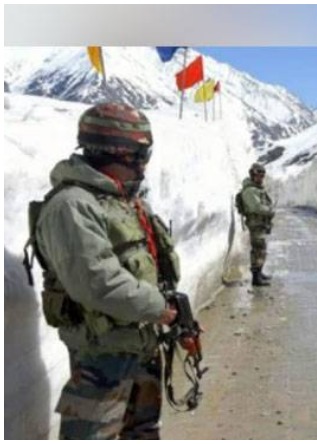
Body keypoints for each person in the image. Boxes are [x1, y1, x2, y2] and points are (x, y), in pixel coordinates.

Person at [28, 102, 180, 439]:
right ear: (115, 153)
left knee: (141, 430)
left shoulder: (122, 200)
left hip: (137, 343)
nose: (144, 164)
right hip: (101, 354)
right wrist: (160, 309)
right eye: (139, 154)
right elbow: (97, 282)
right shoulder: (72, 206)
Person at [237, 162, 275, 286]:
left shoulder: (256, 189)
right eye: (258, 175)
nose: (261, 178)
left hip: (259, 224)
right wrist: (269, 211)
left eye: (262, 176)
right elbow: (256, 207)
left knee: (261, 249)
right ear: (253, 175)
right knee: (258, 249)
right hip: (255, 224)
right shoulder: (250, 191)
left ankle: (259, 273)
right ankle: (256, 278)